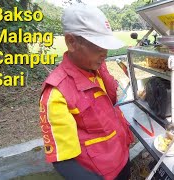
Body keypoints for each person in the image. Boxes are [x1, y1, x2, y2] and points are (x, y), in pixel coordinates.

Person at [39, 4, 134, 180]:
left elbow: (111, 101)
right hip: (101, 173)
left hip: (121, 159)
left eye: (106, 46)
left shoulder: (95, 69)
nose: (104, 53)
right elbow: (63, 160)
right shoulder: (57, 93)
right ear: (71, 42)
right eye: (98, 46)